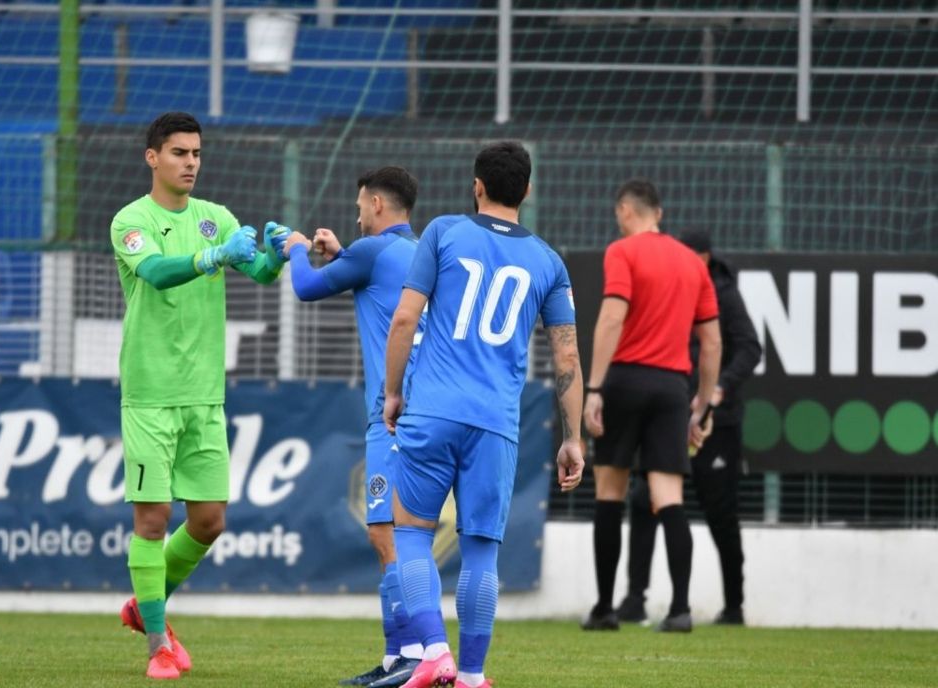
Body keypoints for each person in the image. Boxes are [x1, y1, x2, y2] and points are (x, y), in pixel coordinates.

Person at [383, 141, 584, 688]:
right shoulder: (548, 261)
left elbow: (405, 320)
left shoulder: (444, 232)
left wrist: (393, 393)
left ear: (478, 187)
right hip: (496, 423)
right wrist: (573, 439)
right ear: (528, 191)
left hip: (432, 409)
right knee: (480, 552)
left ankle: (431, 653)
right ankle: (471, 675)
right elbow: (566, 355)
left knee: (413, 534)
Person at [110, 111, 285, 679]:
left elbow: (256, 271)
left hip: (205, 395)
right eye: (180, 153)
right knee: (153, 520)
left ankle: (145, 602)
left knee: (209, 521)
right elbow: (157, 273)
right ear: (152, 157)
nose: (190, 163)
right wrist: (213, 257)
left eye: (197, 154)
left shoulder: (216, 217)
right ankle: (159, 643)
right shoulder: (130, 220)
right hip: (151, 394)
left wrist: (277, 255)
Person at [267, 166, 426, 688]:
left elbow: (306, 288)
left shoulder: (372, 251)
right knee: (404, 533)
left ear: (377, 203)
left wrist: (294, 247)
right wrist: (341, 254)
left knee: (385, 533)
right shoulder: (419, 253)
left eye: (360, 204)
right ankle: (399, 659)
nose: (357, 213)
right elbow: (374, 283)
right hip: (428, 414)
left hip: (392, 415)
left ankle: (411, 657)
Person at [581, 178, 721, 634]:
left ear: (625, 210)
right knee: (669, 498)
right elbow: (713, 342)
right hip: (671, 387)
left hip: (623, 379)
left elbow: (612, 316)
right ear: (658, 213)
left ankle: (605, 608)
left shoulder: (622, 252)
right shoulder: (692, 262)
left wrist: (595, 388)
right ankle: (680, 609)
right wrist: (700, 405)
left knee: (609, 492)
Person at [615, 229, 762, 626]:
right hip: (672, 413)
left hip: (717, 422)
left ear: (705, 259)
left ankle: (734, 606)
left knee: (721, 513)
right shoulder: (678, 285)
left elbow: (750, 347)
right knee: (646, 500)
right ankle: (635, 598)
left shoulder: (723, 293)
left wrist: (714, 394)